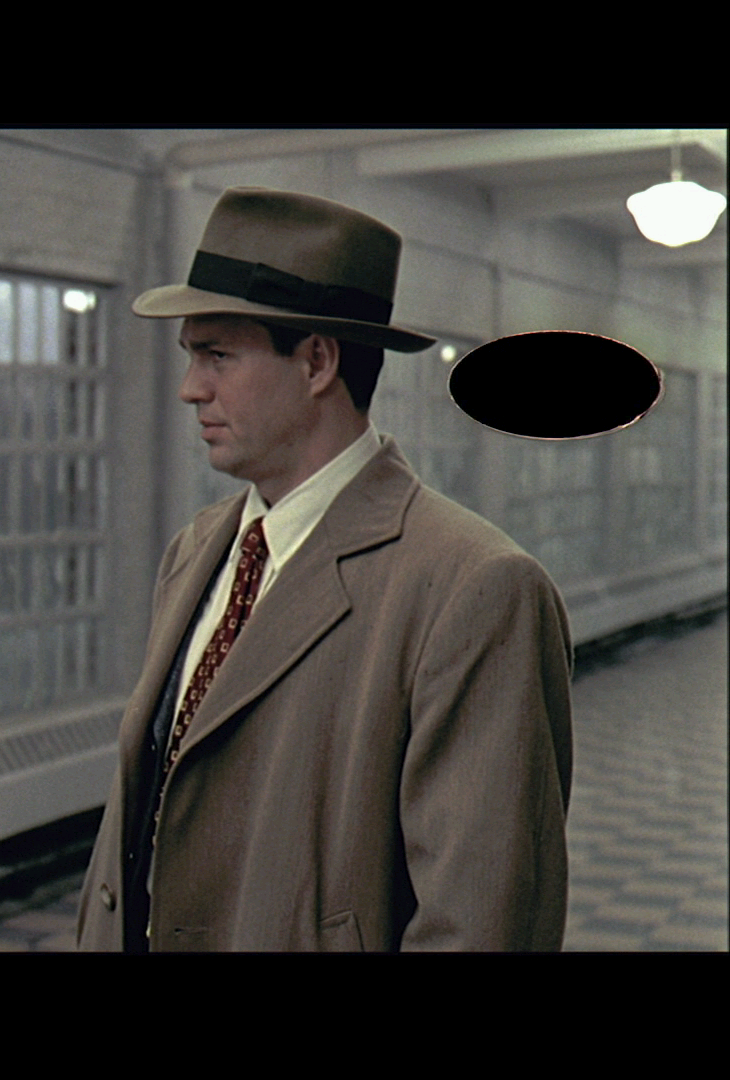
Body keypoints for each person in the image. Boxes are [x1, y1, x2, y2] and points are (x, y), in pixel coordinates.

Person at [75, 187, 573, 952]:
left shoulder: (474, 586)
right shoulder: (198, 550)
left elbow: (483, 919)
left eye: (218, 355)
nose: (190, 388)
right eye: (191, 356)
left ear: (316, 361)